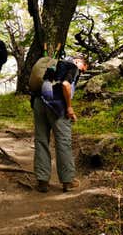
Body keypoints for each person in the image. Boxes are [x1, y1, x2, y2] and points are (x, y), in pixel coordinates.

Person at [32, 55, 88, 192]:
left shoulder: (53, 66)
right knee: (63, 142)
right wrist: (69, 107)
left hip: (39, 102)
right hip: (57, 107)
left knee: (41, 140)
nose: (83, 71)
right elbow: (65, 85)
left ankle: (42, 181)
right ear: (79, 61)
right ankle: (68, 181)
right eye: (84, 68)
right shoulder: (73, 67)